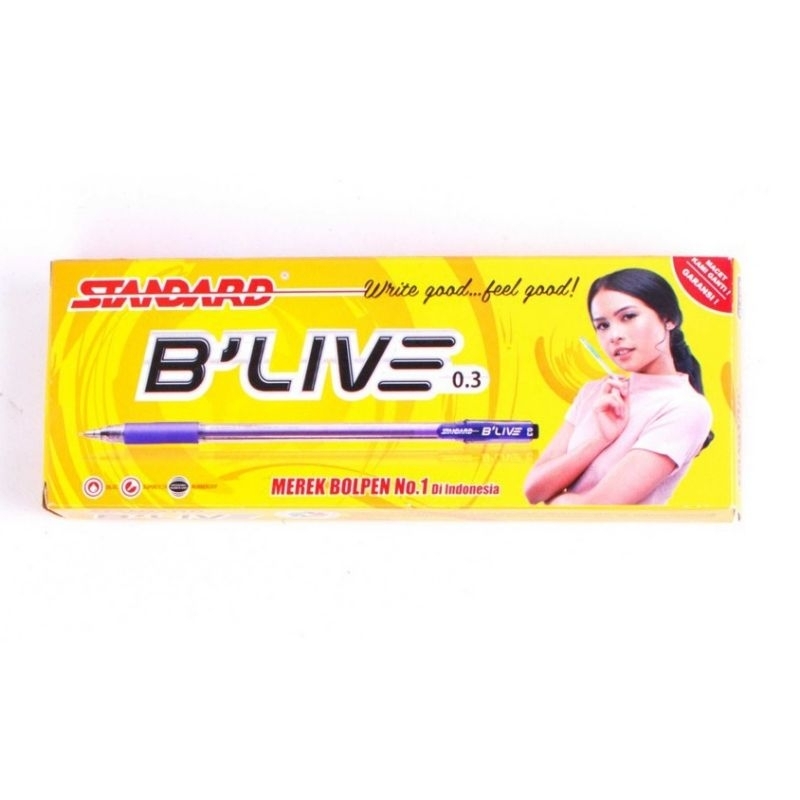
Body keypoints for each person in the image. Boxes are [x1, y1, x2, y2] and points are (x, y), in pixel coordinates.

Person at [524, 268, 713, 506]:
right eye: (603, 325)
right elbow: (533, 490)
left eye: (628, 316)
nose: (614, 335)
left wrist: (555, 499)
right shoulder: (595, 393)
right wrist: (600, 439)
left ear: (668, 319)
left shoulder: (686, 408)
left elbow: (596, 509)